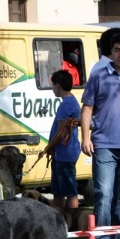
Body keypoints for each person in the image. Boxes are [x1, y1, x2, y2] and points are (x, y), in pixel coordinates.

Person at [81, 32, 120, 239]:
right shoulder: (98, 76)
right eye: (117, 50)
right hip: (104, 144)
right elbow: (87, 108)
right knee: (103, 194)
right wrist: (85, 138)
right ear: (111, 52)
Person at [48, 69, 81, 215]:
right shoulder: (71, 101)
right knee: (58, 190)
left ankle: (72, 220)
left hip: (65, 154)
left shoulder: (65, 105)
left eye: (53, 85)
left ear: (58, 86)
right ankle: (58, 219)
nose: (52, 89)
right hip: (62, 153)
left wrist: (48, 147)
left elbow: (60, 133)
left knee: (69, 190)